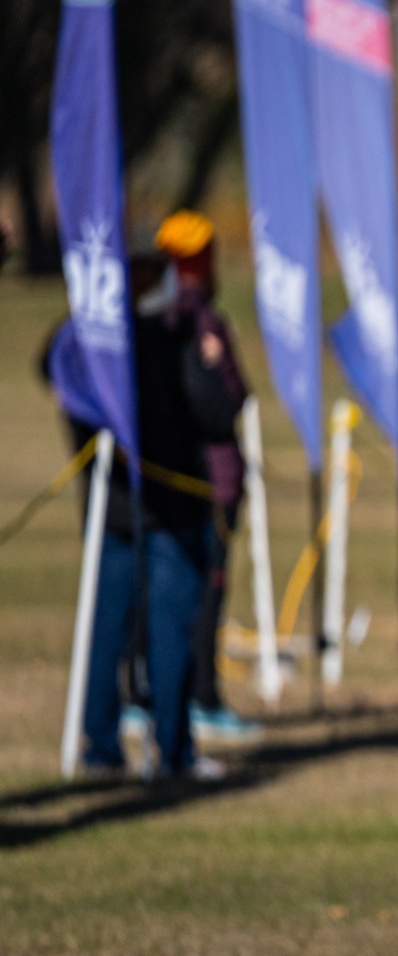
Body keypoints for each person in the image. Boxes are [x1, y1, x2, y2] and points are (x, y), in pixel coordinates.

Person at [52, 252, 241, 780]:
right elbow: (218, 413)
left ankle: (101, 745)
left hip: (112, 508)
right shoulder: (169, 339)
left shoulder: (93, 344)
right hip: (169, 510)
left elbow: (53, 362)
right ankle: (173, 749)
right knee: (167, 631)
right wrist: (207, 364)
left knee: (107, 630)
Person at [154, 211, 262, 744]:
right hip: (210, 481)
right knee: (202, 596)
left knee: (161, 595)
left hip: (166, 479)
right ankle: (200, 701)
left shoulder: (151, 318)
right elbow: (228, 402)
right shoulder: (200, 324)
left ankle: (147, 697)